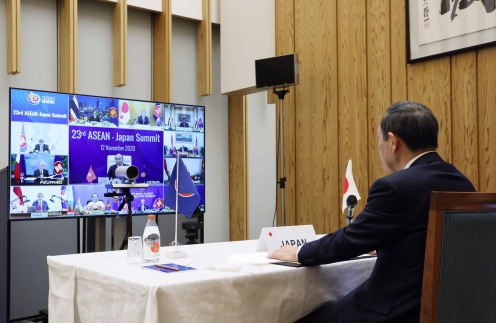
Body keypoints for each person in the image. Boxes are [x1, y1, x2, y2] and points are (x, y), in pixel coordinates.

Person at [268, 101, 476, 323]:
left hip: (394, 311)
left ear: (394, 141)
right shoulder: (463, 184)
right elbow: (426, 239)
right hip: (448, 310)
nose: (379, 146)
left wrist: (300, 253)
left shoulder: (395, 187)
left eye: (379, 139)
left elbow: (350, 239)